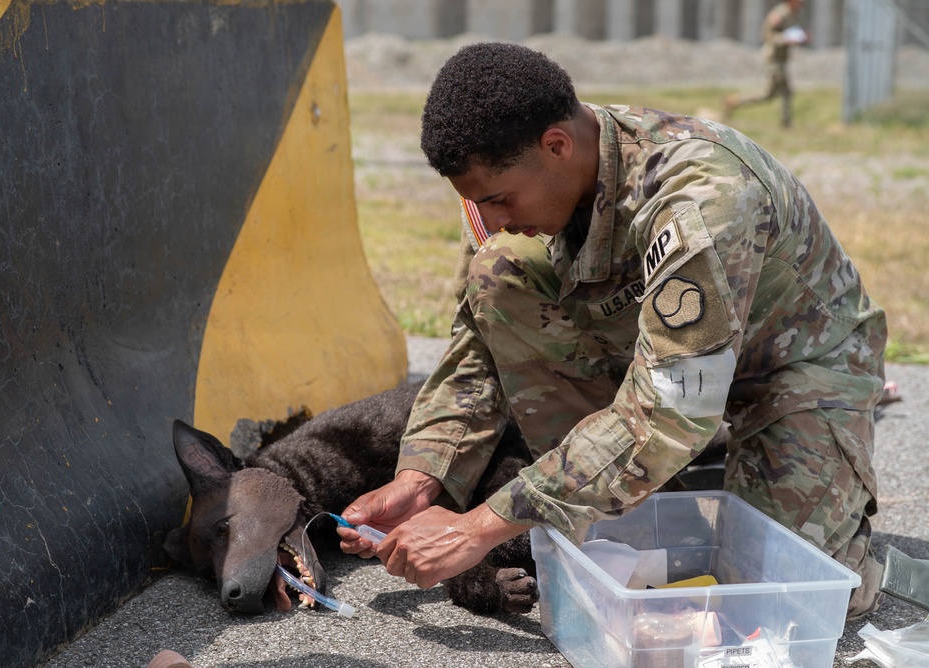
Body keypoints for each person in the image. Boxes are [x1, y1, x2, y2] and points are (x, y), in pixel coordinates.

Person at [339, 42, 887, 618]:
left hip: (792, 365)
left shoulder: (701, 198)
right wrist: (424, 475)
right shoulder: (513, 179)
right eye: (480, 204)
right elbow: (479, 344)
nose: (493, 220)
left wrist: (481, 525)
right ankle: (631, 504)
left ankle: (837, 546)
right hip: (664, 357)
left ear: (557, 145)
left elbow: (671, 410)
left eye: (499, 200)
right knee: (500, 272)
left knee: (785, 598)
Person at [724, 0, 809, 128]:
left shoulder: (795, 13)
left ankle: (735, 101)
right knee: (781, 92)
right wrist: (785, 39)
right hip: (773, 58)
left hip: (781, 58)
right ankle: (786, 124)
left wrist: (801, 37)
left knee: (770, 94)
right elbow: (768, 36)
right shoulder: (779, 14)